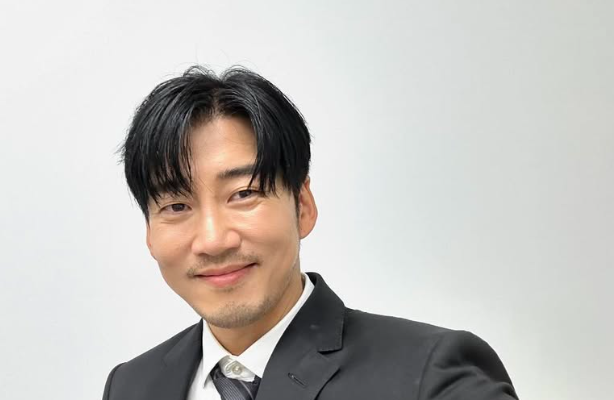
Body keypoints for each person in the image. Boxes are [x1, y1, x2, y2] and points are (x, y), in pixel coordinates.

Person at [102, 66, 518, 400]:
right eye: (176, 206)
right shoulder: (131, 386)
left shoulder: (429, 375)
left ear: (302, 206)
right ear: (149, 233)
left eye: (244, 194)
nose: (213, 240)